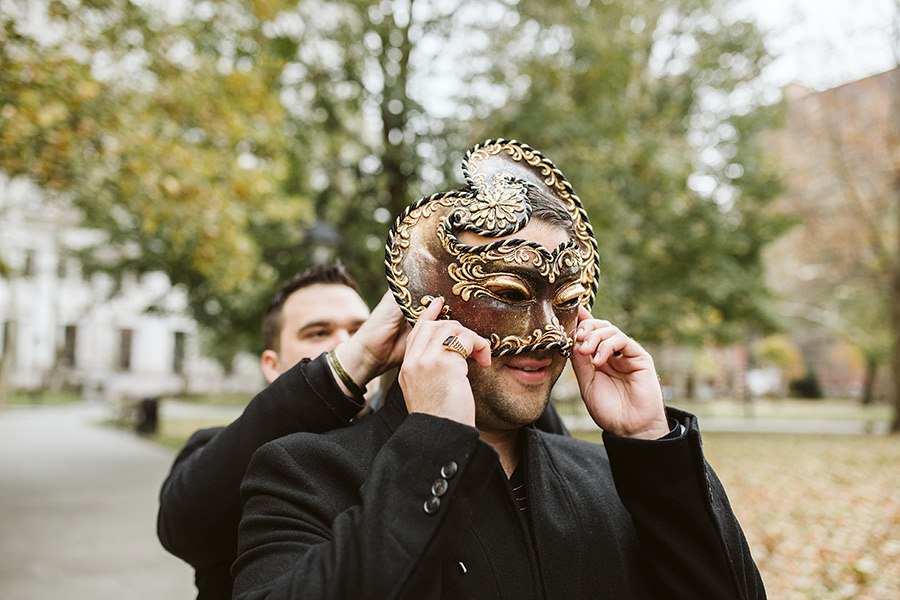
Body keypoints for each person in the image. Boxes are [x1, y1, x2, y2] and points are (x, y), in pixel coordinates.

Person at [231, 139, 766, 599]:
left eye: (565, 301)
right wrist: (432, 446)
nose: (548, 333)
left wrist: (652, 448)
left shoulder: (611, 482)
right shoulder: (304, 476)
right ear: (427, 307)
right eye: (508, 295)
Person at [157, 262, 568, 599]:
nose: (345, 341)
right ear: (271, 364)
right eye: (318, 333)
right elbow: (185, 528)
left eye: (359, 327)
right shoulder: (226, 449)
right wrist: (357, 356)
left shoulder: (415, 436)